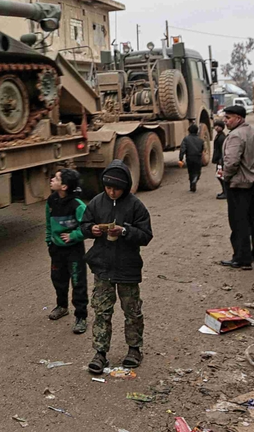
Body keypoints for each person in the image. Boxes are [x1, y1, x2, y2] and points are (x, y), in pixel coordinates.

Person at [80, 160, 153, 374]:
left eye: (117, 188)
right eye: (108, 187)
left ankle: (134, 349)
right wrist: (91, 229)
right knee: (101, 311)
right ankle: (100, 353)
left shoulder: (135, 205)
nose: (112, 192)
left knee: (132, 311)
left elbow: (146, 235)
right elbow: (84, 225)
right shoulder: (96, 202)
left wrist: (125, 231)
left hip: (127, 268)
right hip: (102, 267)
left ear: (126, 186)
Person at [221, 104, 254, 270]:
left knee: (239, 222)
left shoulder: (236, 135)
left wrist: (226, 177)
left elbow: (231, 162)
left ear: (238, 118)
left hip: (239, 185)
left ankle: (242, 258)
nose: (225, 121)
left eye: (228, 118)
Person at [45, 168, 88, 334]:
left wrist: (74, 235)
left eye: (56, 178)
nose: (52, 180)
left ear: (64, 187)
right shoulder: (51, 201)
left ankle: (81, 316)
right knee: (58, 279)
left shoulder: (77, 205)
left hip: (74, 250)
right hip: (56, 250)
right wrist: (49, 241)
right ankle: (62, 306)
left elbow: (87, 227)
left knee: (78, 282)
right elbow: (48, 223)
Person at [178, 124, 205, 192]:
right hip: (198, 158)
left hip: (189, 158)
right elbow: (202, 149)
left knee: (191, 172)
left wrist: (181, 158)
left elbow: (182, 149)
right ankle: (195, 179)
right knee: (197, 172)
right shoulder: (201, 140)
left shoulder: (186, 139)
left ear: (189, 131)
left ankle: (192, 187)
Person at [212, 121, 228, 200]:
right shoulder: (218, 135)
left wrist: (221, 159)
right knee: (220, 175)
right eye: (215, 126)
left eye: (218, 126)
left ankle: (225, 192)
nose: (216, 128)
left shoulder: (222, 137)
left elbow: (222, 150)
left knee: (221, 176)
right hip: (219, 159)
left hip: (221, 160)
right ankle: (224, 191)